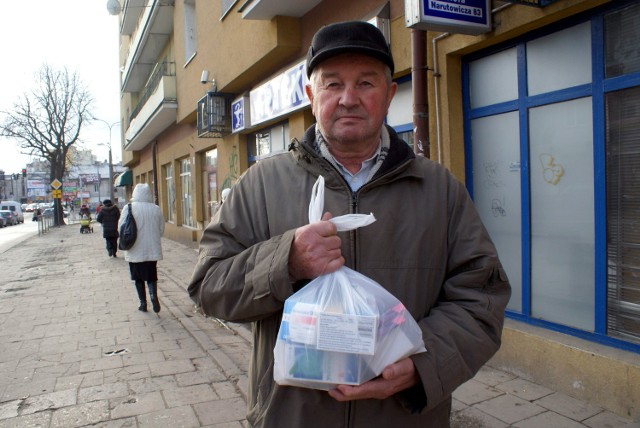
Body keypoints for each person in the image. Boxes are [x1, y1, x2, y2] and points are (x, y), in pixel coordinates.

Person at [188, 21, 511, 428]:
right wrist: (285, 261)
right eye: (332, 84)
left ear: (390, 94)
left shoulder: (439, 190)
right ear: (310, 95)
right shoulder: (260, 185)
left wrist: (422, 366)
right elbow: (207, 286)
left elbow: (481, 299)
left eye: (366, 83)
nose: (348, 99)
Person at [119, 183, 165, 313]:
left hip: (135, 249)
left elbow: (121, 227)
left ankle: (143, 303)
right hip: (152, 249)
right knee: (151, 275)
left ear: (134, 194)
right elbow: (161, 229)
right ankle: (153, 295)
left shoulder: (129, 208)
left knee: (138, 277)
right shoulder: (156, 208)